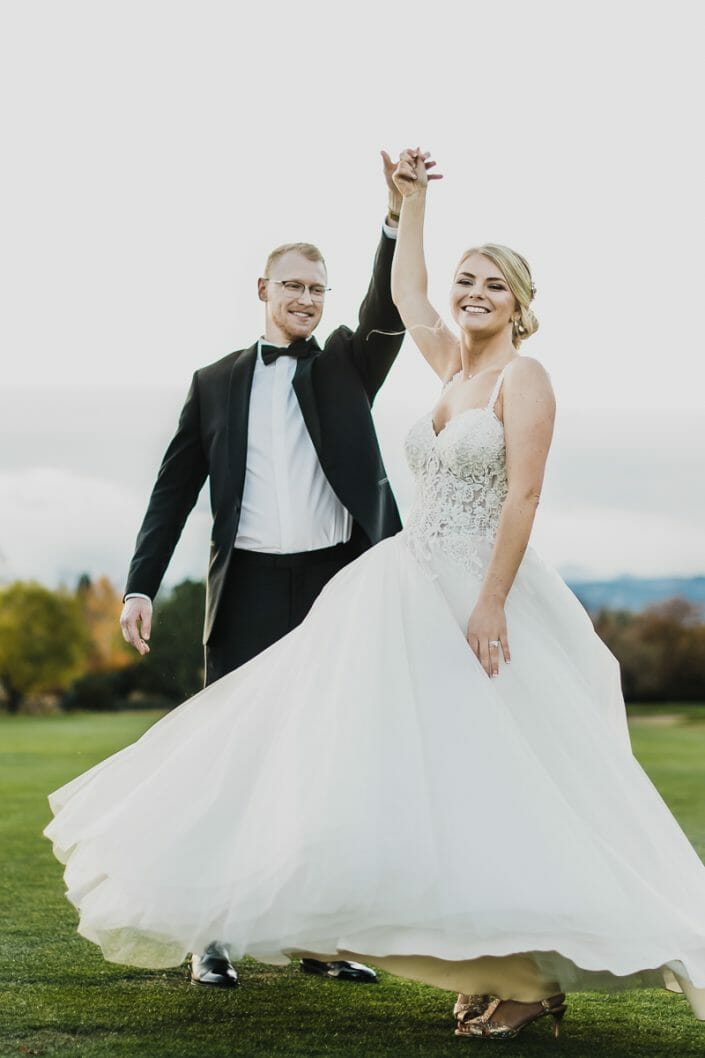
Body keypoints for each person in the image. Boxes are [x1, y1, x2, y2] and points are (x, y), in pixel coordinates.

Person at [45, 149, 705, 1040]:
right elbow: (407, 294)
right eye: (467, 281)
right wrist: (409, 204)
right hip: (404, 588)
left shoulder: (523, 378)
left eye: (494, 285)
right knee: (425, 777)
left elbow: (523, 497)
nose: (474, 294)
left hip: (477, 595)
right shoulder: (450, 368)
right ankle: (487, 965)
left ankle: (526, 977)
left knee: (505, 781)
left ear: (520, 304)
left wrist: (490, 602)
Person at [115, 151, 410, 988]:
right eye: (292, 286)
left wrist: (394, 219)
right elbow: (172, 491)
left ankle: (318, 935)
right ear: (262, 289)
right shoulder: (213, 383)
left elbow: (384, 305)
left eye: (317, 288)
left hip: (333, 588)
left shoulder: (348, 363)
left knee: (329, 759)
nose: (306, 299)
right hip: (243, 588)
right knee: (231, 762)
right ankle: (211, 934)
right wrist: (140, 584)